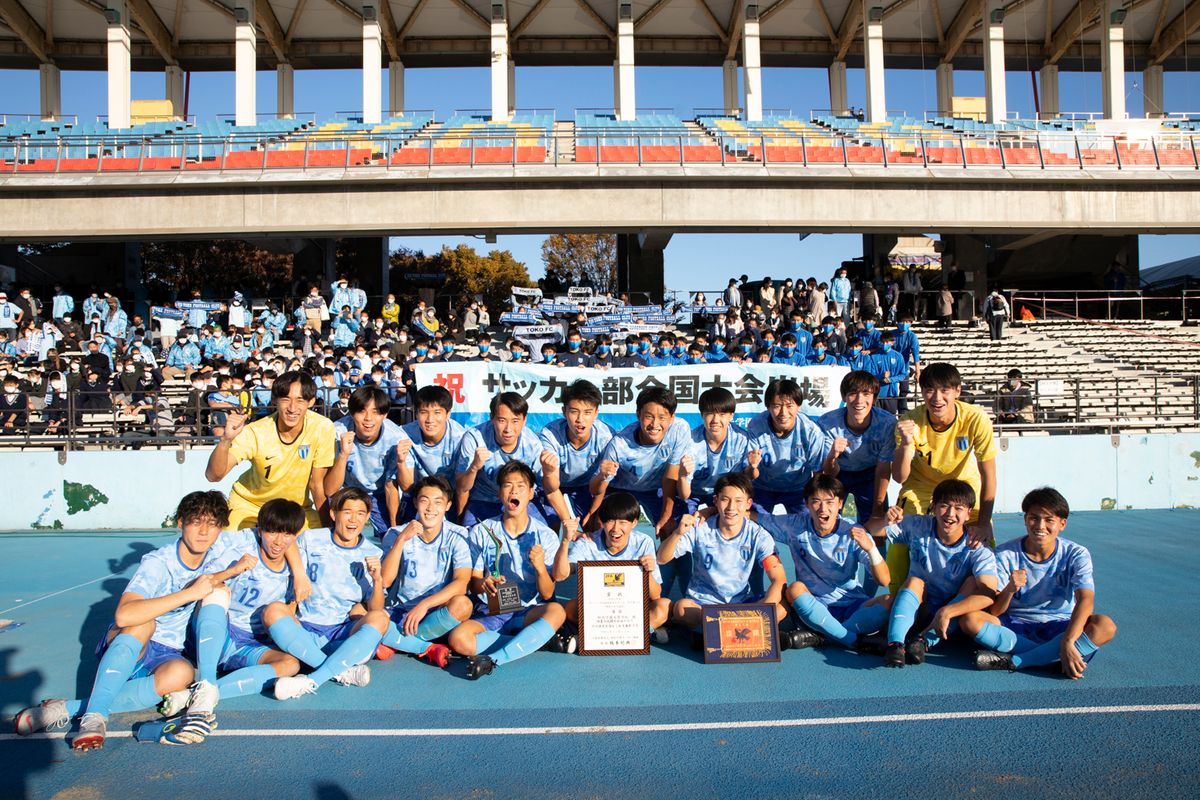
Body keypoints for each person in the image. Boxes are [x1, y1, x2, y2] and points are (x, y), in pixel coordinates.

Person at [14, 492, 250, 750]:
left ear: (221, 528)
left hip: (168, 653)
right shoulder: (158, 563)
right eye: (196, 522)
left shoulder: (218, 552)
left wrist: (234, 570)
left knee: (182, 672)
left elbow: (270, 534)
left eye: (213, 524)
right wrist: (188, 594)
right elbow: (124, 615)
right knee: (143, 622)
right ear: (180, 522)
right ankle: (95, 717)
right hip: (134, 644)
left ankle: (67, 708)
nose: (204, 532)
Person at [157, 498, 308, 722]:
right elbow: (201, 582)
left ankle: (195, 694)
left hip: (250, 644)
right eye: (272, 532)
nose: (278, 541)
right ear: (260, 530)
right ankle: (206, 681)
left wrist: (296, 592)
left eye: (287, 534)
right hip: (221, 634)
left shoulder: (296, 564)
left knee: (290, 664)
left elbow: (292, 601)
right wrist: (233, 570)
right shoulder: (240, 547)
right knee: (215, 591)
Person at [963, 487, 1117, 676]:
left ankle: (1018, 661)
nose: (1040, 526)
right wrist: (1010, 589)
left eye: (1049, 520)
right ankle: (1052, 656)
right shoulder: (1004, 553)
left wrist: (1068, 640)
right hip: (1016, 626)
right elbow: (995, 611)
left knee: (1105, 625)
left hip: (1061, 626)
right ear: (1026, 519)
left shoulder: (1076, 554)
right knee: (970, 620)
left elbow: (1086, 600)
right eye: (1034, 518)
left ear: (1062, 524)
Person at [450, 461, 570, 679]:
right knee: (458, 639)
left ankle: (496, 659)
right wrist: (483, 585)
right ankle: (532, 641)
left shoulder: (546, 536)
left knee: (556, 612)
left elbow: (546, 594)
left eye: (521, 486)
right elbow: (474, 582)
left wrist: (541, 569)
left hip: (527, 612)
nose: (514, 490)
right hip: (491, 611)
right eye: (507, 485)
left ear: (532, 493)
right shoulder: (482, 531)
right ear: (499, 493)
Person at [265, 488, 388, 699]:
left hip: (341, 633)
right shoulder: (311, 538)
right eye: (347, 512)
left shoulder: (372, 553)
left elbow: (375, 608)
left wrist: (377, 580)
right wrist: (300, 575)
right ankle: (341, 670)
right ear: (333, 514)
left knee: (380, 618)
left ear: (367, 517)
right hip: (304, 629)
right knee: (272, 611)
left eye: (360, 513)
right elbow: (290, 545)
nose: (353, 519)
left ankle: (311, 681)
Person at [890, 363, 997, 593]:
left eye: (944, 390)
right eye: (929, 390)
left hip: (963, 485)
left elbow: (988, 474)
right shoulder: (910, 422)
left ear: (957, 391)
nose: (936, 398)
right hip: (920, 487)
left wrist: (985, 522)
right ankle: (896, 598)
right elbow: (899, 477)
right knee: (899, 531)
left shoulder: (975, 418)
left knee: (983, 537)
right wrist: (907, 444)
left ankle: (986, 596)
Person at [869, 480, 999, 668]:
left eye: (958, 508)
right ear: (934, 507)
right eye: (944, 506)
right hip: (919, 608)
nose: (950, 514)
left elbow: (988, 594)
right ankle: (895, 645)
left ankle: (923, 641)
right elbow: (869, 531)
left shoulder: (976, 545)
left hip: (951, 618)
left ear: (969, 512)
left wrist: (947, 611)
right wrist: (885, 520)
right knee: (914, 581)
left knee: (973, 584)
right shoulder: (918, 526)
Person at [753, 475, 891, 651]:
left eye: (829, 502)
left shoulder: (853, 532)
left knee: (890, 601)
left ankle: (823, 635)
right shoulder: (795, 525)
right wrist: (710, 511)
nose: (823, 508)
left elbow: (884, 581)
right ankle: (851, 639)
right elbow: (756, 517)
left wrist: (871, 549)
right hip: (814, 604)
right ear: (807, 504)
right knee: (794, 589)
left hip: (851, 604)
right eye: (816, 501)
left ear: (840, 504)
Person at [657, 473, 789, 634]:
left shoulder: (759, 535)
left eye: (738, 501)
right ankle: (737, 631)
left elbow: (778, 579)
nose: (731, 507)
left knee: (781, 607)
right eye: (725, 499)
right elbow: (661, 559)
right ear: (716, 501)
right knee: (682, 608)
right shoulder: (701, 528)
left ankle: (711, 633)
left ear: (748, 504)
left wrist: (763, 612)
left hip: (741, 605)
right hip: (703, 605)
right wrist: (677, 533)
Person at [205, 370, 336, 530]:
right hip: (250, 506)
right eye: (286, 399)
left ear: (311, 402)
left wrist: (328, 533)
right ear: (275, 399)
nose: (292, 408)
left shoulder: (323, 427)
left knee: (315, 550)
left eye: (300, 400)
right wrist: (225, 440)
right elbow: (214, 476)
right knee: (235, 548)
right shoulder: (255, 431)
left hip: (296, 510)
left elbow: (316, 485)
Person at [590, 387, 689, 589]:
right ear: (638, 416)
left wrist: (667, 515)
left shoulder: (680, 429)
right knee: (602, 527)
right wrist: (595, 510)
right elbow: (596, 488)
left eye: (662, 417)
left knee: (674, 529)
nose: (655, 424)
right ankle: (602, 593)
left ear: (672, 418)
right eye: (648, 417)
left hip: (658, 488)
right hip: (621, 489)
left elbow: (670, 477)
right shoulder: (619, 444)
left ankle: (664, 594)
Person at [374, 476, 474, 666]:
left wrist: (425, 605)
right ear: (415, 503)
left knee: (463, 605)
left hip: (436, 611)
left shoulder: (458, 535)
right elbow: (385, 581)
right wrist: (401, 540)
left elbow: (462, 582)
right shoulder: (396, 533)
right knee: (367, 615)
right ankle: (423, 645)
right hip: (400, 610)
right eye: (424, 500)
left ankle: (399, 643)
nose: (430, 508)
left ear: (448, 506)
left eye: (438, 502)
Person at [554, 491, 672, 643]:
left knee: (664, 606)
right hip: (598, 609)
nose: (616, 529)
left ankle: (600, 635)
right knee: (570, 608)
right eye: (610, 521)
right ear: (601, 522)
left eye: (623, 522)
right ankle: (644, 632)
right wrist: (565, 541)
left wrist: (647, 573)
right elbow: (559, 575)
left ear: (634, 523)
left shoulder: (644, 542)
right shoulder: (587, 543)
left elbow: (656, 595)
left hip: (632, 608)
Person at [453, 391, 570, 528]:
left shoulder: (531, 443)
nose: (508, 429)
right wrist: (473, 468)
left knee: (545, 533)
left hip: (520, 501)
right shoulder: (475, 438)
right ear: (492, 418)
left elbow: (551, 490)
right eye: (502, 420)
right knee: (473, 540)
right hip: (485, 501)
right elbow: (462, 488)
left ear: (524, 420)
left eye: (515, 421)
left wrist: (567, 522)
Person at [325, 385, 410, 536]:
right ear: (351, 413)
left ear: (385, 415)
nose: (368, 419)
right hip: (345, 491)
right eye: (361, 411)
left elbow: (391, 487)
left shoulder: (396, 438)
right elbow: (330, 490)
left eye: (376, 412)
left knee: (389, 537)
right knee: (338, 535)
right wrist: (343, 455)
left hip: (378, 494)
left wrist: (395, 532)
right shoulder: (337, 432)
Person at [818, 371, 896, 523]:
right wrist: (833, 455)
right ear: (844, 397)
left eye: (866, 394)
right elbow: (827, 472)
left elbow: (883, 469)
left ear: (874, 397)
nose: (859, 400)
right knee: (828, 523)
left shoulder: (887, 423)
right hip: (839, 475)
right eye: (853, 393)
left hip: (871, 474)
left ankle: (877, 546)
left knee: (876, 525)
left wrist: (877, 510)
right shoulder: (828, 423)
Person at [745, 378, 826, 515]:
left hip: (799, 489)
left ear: (798, 406)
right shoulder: (756, 426)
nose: (783, 413)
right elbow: (750, 475)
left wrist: (815, 502)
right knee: (753, 523)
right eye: (777, 406)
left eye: (789, 406)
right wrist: (752, 467)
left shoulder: (811, 431)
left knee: (806, 525)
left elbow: (818, 473)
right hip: (762, 487)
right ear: (768, 407)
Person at [540, 380, 613, 529]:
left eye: (587, 412)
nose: (580, 419)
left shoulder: (607, 437)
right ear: (564, 411)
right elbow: (552, 488)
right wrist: (568, 523)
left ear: (596, 413)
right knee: (549, 527)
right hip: (555, 484)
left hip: (587, 485)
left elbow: (599, 488)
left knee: (596, 526)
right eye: (574, 411)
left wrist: (593, 512)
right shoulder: (550, 435)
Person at [678, 387, 759, 516]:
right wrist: (682, 475)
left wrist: (752, 467)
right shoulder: (690, 442)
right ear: (702, 415)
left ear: (731, 416)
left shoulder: (742, 439)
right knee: (684, 523)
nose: (715, 420)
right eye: (710, 413)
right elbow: (684, 495)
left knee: (751, 516)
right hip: (694, 492)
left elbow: (748, 477)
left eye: (722, 414)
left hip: (726, 493)